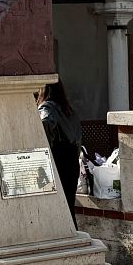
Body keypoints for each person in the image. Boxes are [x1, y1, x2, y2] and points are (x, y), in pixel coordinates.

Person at [37, 81, 82, 228]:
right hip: (72, 162)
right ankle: (73, 236)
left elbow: (44, 123)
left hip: (56, 162)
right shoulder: (69, 110)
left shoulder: (46, 108)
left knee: (51, 206)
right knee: (68, 205)